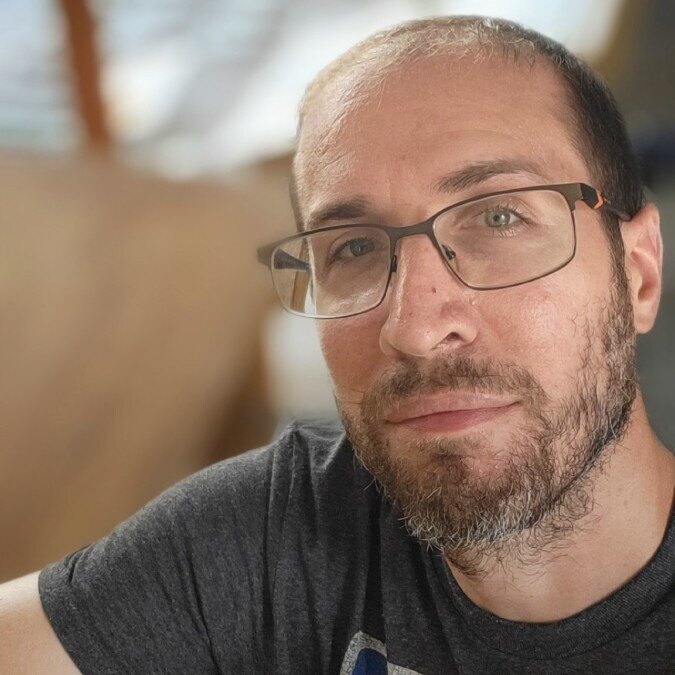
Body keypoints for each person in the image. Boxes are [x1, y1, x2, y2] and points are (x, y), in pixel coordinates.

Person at [1, 15, 674, 674]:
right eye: (352, 248)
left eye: (499, 217)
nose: (414, 328)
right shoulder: (284, 534)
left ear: (639, 276)